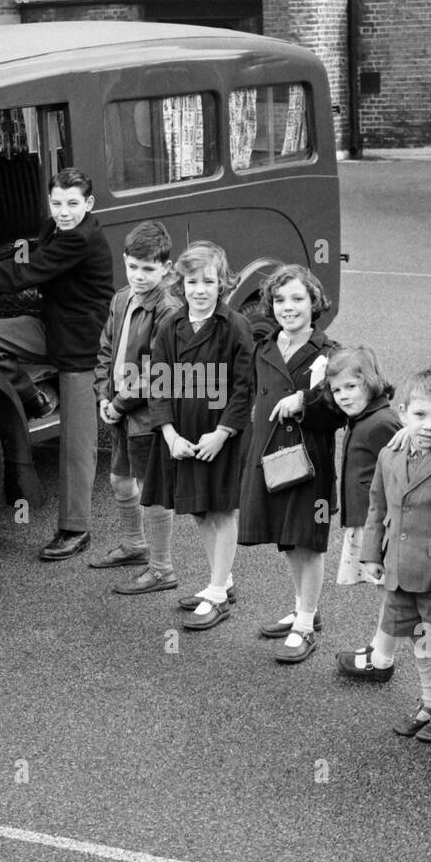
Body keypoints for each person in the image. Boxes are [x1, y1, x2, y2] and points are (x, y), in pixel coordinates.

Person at [0, 167, 112, 561]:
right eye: (57, 203)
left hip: (80, 344)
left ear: (89, 204)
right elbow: (25, 259)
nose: (63, 211)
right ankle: (36, 399)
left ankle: (76, 529)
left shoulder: (81, 237)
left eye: (72, 204)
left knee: (77, 447)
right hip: (50, 325)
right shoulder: (54, 228)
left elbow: (25, 271)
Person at [358, 368, 431, 738]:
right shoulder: (388, 456)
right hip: (399, 566)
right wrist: (370, 556)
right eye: (420, 415)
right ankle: (429, 701)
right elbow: (377, 508)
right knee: (418, 638)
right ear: (403, 411)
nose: (429, 425)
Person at [141, 241, 254, 631]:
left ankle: (218, 595)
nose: (200, 289)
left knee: (222, 510)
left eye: (209, 281)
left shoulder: (235, 326)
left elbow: (243, 388)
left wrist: (222, 434)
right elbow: (158, 384)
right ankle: (222, 582)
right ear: (181, 283)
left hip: (220, 435)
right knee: (200, 510)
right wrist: (169, 434)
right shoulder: (169, 326)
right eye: (192, 281)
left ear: (222, 283)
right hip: (184, 436)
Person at [238, 266, 343, 664]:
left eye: (298, 299)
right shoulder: (263, 347)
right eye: (280, 300)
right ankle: (304, 608)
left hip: (307, 462)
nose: (288, 307)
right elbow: (251, 398)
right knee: (287, 538)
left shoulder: (329, 352)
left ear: (314, 302)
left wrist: (307, 399)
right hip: (268, 456)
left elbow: (341, 412)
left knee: (308, 541)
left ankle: (305, 624)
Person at [90, 220, 182, 593]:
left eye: (148, 269)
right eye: (133, 267)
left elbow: (159, 371)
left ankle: (163, 569)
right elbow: (105, 351)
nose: (139, 276)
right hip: (119, 410)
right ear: (125, 261)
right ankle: (135, 545)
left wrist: (119, 403)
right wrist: (102, 395)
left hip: (146, 415)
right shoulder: (121, 299)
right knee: (118, 479)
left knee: (152, 488)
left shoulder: (168, 309)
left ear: (166, 268)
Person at [326, 346, 401, 675]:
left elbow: (403, 473)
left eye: (351, 387)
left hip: (381, 522)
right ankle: (379, 647)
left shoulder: (382, 422)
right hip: (369, 518)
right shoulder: (364, 417)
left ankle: (382, 657)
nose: (342, 396)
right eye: (336, 389)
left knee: (392, 590)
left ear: (371, 383)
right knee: (386, 590)